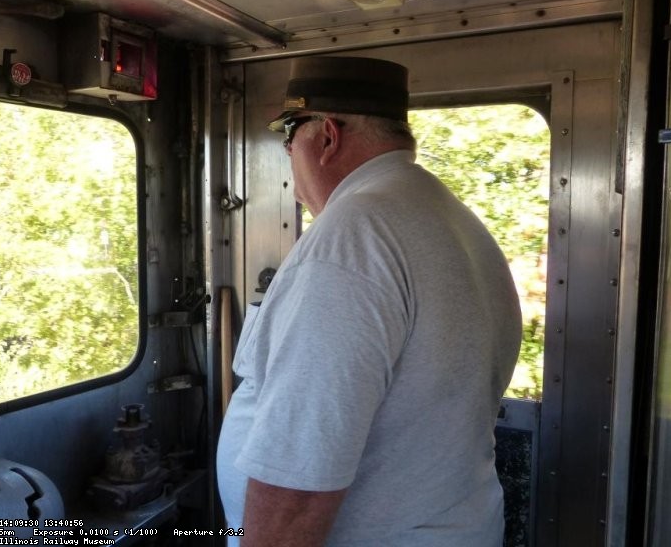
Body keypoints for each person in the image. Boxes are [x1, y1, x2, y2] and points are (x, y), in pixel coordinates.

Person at [216, 55, 521, 547]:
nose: (292, 177)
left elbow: (298, 476)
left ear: (326, 136)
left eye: (288, 141)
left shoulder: (352, 236)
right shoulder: (454, 218)